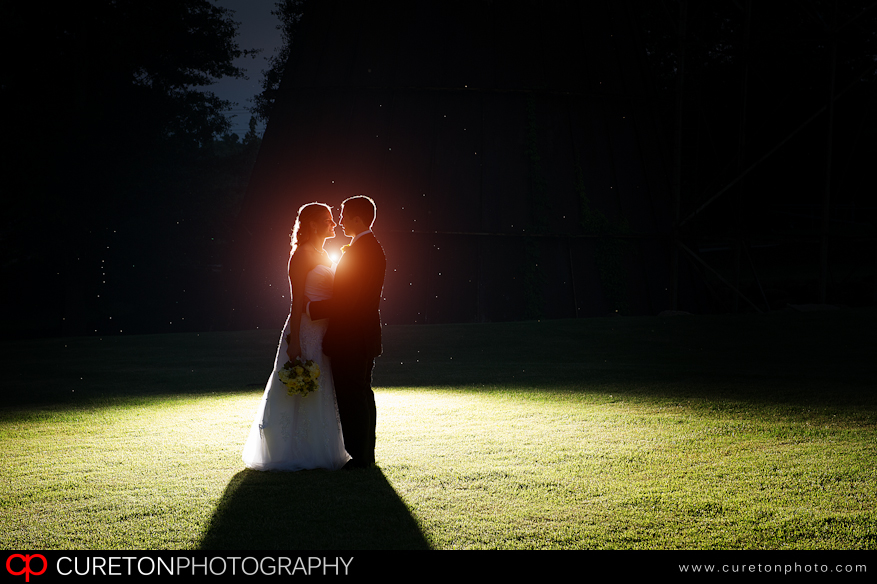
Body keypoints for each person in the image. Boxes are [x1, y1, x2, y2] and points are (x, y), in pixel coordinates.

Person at [241, 203, 351, 471]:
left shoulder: (325, 253)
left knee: (321, 387)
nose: (334, 224)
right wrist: (296, 341)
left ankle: (322, 447)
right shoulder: (301, 256)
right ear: (312, 225)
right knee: (301, 387)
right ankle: (292, 451)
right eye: (327, 220)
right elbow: (297, 301)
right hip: (305, 329)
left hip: (325, 330)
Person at [308, 195, 386, 469]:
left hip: (351, 337)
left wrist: (311, 308)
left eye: (343, 215)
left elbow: (347, 301)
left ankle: (359, 456)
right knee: (363, 393)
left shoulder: (360, 251)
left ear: (357, 218)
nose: (339, 221)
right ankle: (366, 454)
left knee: (352, 396)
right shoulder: (369, 247)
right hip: (363, 334)